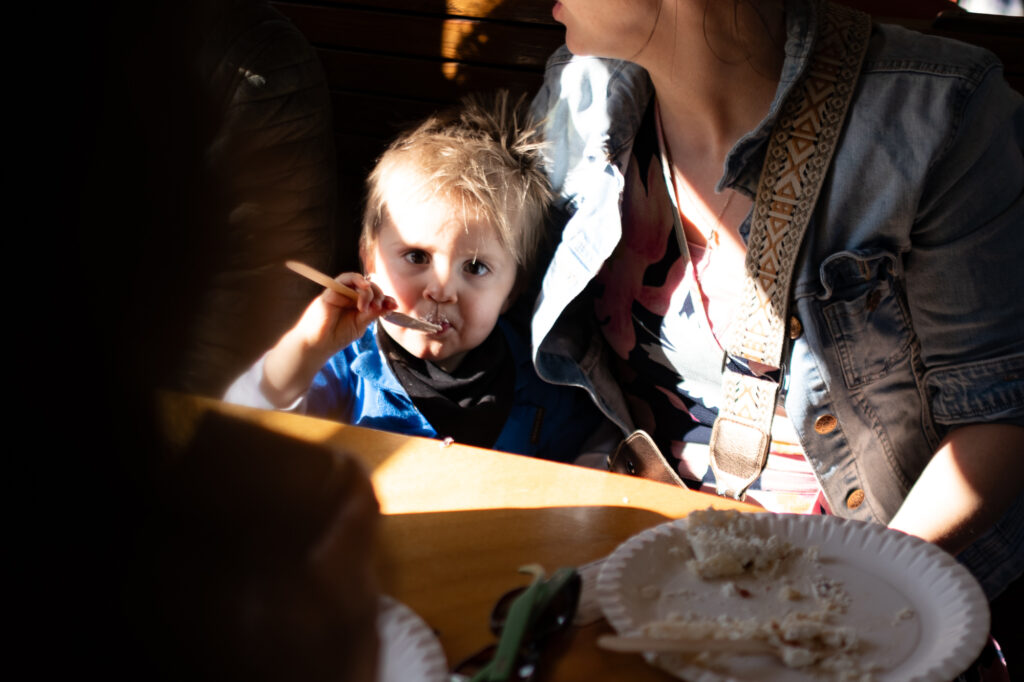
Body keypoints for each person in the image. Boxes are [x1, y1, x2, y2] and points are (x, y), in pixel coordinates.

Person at [529, 0, 1023, 670]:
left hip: (863, 581)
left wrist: (840, 600)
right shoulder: (580, 92)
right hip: (646, 550)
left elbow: (998, 417)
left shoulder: (938, 114)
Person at [226, 92, 605, 461]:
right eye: (417, 257)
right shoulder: (343, 366)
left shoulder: (545, 379)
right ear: (369, 260)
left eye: (475, 267)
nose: (441, 290)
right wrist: (306, 349)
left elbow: (592, 465)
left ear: (511, 292)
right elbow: (239, 427)